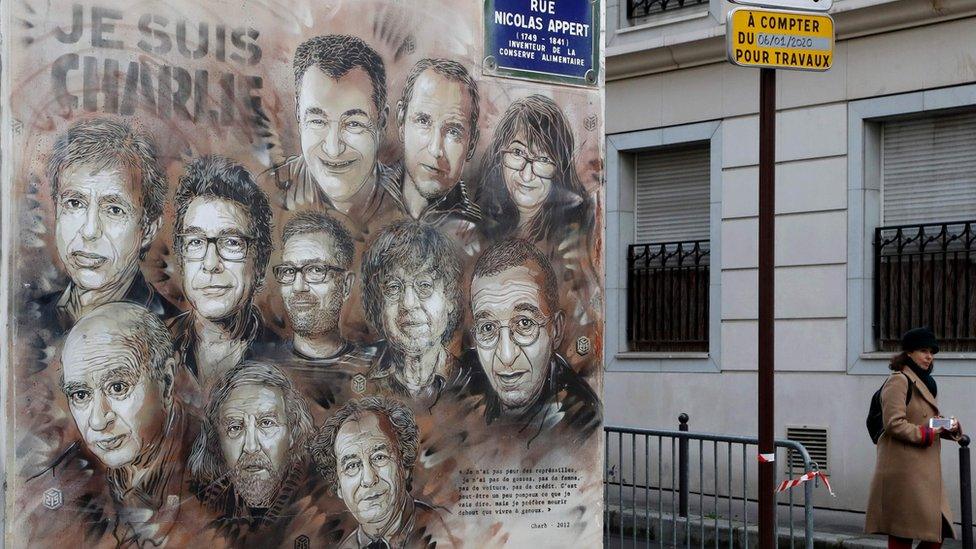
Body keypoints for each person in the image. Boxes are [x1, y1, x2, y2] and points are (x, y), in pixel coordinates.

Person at [30, 302, 202, 546]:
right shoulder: (62, 482)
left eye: (118, 388)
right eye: (80, 395)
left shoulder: (219, 463)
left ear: (166, 381)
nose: (98, 421)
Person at [32, 118, 178, 338]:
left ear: (147, 229)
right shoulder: (30, 321)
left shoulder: (173, 332)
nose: (90, 231)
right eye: (74, 203)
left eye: (114, 210)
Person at [467, 239, 601, 446]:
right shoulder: (462, 388)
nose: (506, 356)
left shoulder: (581, 421)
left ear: (555, 330)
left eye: (524, 323)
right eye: (487, 328)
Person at [270, 34, 396, 240]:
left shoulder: (409, 209)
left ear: (381, 123)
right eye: (318, 122)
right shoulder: (266, 198)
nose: (333, 149)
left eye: (354, 123)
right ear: (299, 116)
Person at [169, 156, 277, 394]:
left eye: (231, 242)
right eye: (195, 242)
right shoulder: (155, 346)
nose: (210, 263)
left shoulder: (283, 359)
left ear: (260, 262)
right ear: (181, 258)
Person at [188, 361, 316, 543]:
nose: (251, 446)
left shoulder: (318, 502)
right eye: (235, 427)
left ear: (292, 433)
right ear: (218, 441)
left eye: (266, 423)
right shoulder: (204, 504)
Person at [308, 396, 455, 548]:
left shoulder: (446, 531)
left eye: (379, 457)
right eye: (352, 466)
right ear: (338, 485)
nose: (369, 479)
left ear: (403, 466)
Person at [865, 326, 964, 548]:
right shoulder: (899, 380)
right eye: (923, 351)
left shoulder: (926, 382)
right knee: (903, 534)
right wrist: (927, 433)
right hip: (904, 470)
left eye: (932, 352)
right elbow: (894, 423)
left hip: (923, 473)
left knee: (938, 531)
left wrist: (950, 426)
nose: (929, 356)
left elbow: (926, 418)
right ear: (909, 353)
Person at [360, 220, 470, 412]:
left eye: (425, 285)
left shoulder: (472, 381)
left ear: (450, 298)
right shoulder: (357, 375)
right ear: (378, 303)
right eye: (393, 287)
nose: (409, 303)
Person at [474, 94, 591, 249]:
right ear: (499, 156)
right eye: (517, 152)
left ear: (559, 169)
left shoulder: (575, 236)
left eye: (543, 160)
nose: (527, 175)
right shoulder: (475, 226)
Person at [385, 58, 481, 226]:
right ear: (401, 121)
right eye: (423, 121)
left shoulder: (481, 231)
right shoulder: (364, 197)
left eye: (453, 131)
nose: (436, 149)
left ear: (471, 143)